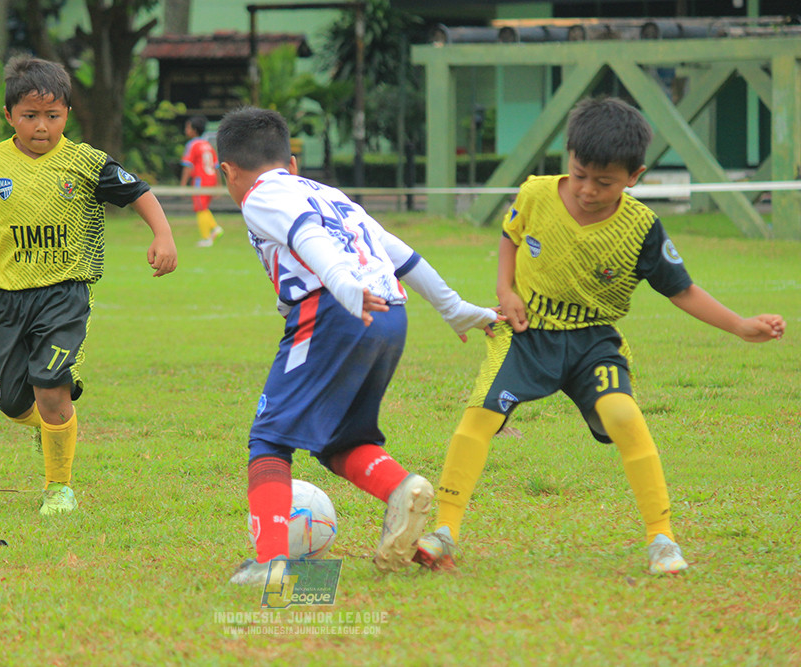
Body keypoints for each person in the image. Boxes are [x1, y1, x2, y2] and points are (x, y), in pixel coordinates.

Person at [414, 97, 786, 576]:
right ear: (569, 157)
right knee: (481, 417)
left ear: (635, 176)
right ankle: (444, 533)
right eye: (580, 172)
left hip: (593, 343)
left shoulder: (641, 228)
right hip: (527, 336)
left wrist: (741, 326)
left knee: (622, 414)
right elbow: (510, 235)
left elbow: (682, 289)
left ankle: (663, 540)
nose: (588, 189)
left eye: (605, 182)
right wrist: (504, 289)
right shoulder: (536, 193)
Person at [215, 107, 500, 585]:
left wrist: (342, 285)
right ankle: (400, 487)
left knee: (269, 437)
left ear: (227, 171)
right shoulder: (330, 194)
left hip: (337, 309)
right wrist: (453, 307)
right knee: (340, 441)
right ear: (292, 162)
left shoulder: (260, 194)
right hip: (390, 315)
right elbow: (398, 252)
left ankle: (268, 565)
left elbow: (306, 235)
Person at [0, 56, 177, 516]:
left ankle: (59, 489)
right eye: (30, 116)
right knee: (10, 402)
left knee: (50, 385)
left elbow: (139, 191)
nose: (42, 126)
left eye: (52, 115)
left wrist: (163, 234)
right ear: (9, 116)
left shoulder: (86, 162)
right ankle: (52, 426)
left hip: (64, 294)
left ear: (67, 114)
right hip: (7, 298)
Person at [180, 115, 223, 247]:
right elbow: (216, 166)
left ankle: (208, 235)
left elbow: (188, 166)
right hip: (211, 179)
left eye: (188, 127)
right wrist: (218, 184)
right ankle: (214, 228)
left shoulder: (192, 145)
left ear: (194, 130)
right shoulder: (208, 145)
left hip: (200, 180)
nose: (186, 130)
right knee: (204, 208)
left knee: (200, 208)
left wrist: (183, 184)